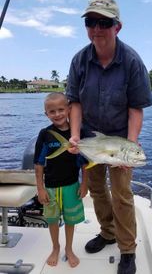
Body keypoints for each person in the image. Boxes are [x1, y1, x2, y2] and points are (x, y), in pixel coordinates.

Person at [66, 0, 152, 274]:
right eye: (91, 22)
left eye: (104, 22)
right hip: (91, 137)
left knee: (122, 193)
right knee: (96, 190)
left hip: (119, 138)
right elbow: (74, 102)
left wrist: (130, 145)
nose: (97, 29)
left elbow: (135, 108)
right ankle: (107, 232)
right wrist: (76, 137)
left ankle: (127, 250)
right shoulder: (79, 60)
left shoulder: (132, 61)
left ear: (118, 27)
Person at [34, 92, 88, 268]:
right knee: (52, 220)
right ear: (46, 114)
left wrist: (84, 183)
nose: (57, 114)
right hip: (50, 186)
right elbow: (39, 163)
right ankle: (55, 247)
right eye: (52, 111)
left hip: (71, 185)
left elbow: (84, 163)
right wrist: (40, 188)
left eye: (61, 110)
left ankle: (69, 248)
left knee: (70, 221)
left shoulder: (77, 134)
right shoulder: (45, 134)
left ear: (69, 109)